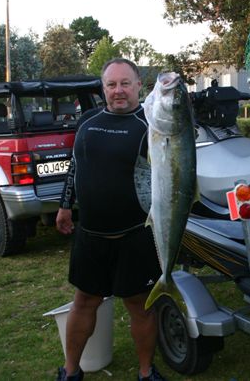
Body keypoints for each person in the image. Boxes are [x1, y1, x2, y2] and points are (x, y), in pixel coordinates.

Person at [55, 58, 165, 381]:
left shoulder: (152, 125)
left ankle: (146, 373)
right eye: (111, 85)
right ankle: (71, 371)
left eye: (125, 84)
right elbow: (75, 165)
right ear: (103, 88)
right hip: (91, 235)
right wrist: (65, 206)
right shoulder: (88, 121)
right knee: (83, 303)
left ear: (139, 86)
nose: (118, 91)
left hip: (135, 234)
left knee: (141, 307)